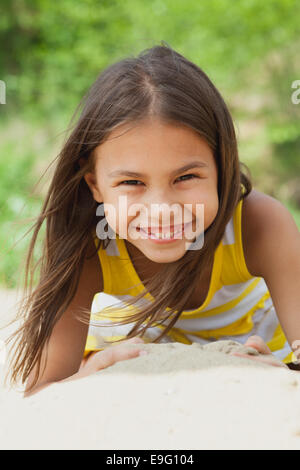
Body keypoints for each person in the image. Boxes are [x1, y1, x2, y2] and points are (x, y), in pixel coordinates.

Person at [6, 43, 300, 397]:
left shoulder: (259, 224)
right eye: (131, 182)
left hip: (257, 346)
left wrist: (286, 373)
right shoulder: (87, 244)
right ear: (95, 184)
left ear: (223, 171)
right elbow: (42, 390)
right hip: (141, 345)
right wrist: (89, 376)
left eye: (186, 177)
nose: (161, 209)